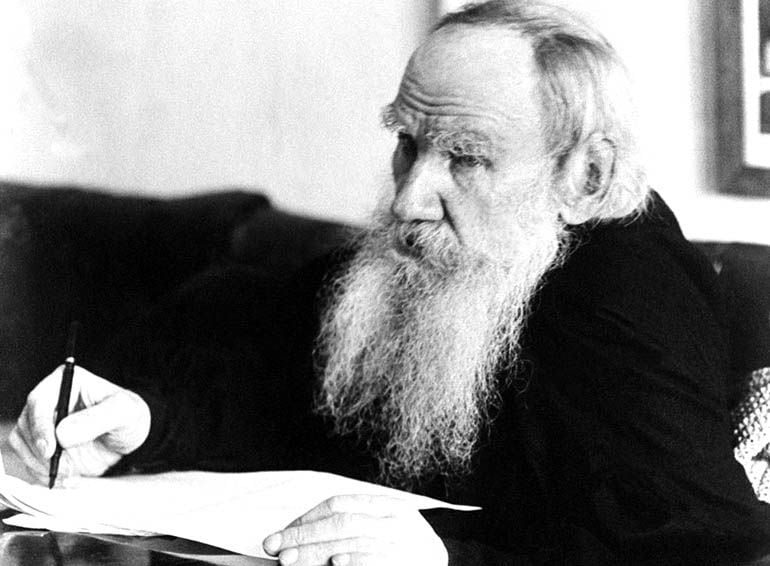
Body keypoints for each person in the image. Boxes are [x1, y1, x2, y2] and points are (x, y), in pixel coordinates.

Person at [8, 1, 770, 564]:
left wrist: (446, 559)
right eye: (408, 143)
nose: (408, 199)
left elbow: (702, 543)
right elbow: (275, 375)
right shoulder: (427, 250)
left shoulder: (624, 294)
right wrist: (146, 418)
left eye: (465, 158)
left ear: (586, 176)